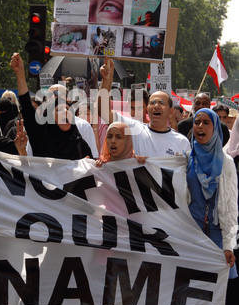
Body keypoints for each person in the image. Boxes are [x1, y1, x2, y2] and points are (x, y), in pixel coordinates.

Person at [98, 57, 191, 157]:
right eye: (153, 103)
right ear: (147, 109)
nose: (156, 106)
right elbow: (104, 112)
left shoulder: (181, 142)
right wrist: (107, 80)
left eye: (161, 103)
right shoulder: (135, 129)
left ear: (170, 111)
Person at [10, 53, 93, 160]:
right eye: (59, 110)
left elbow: (94, 169)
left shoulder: (79, 144)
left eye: (67, 109)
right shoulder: (40, 138)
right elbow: (26, 106)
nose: (65, 112)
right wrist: (20, 73)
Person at [186, 108, 237, 277]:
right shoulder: (186, 159)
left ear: (215, 128)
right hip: (190, 235)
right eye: (197, 122)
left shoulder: (226, 162)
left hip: (216, 236)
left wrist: (228, 245)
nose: (200, 126)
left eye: (206, 123)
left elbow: (230, 206)